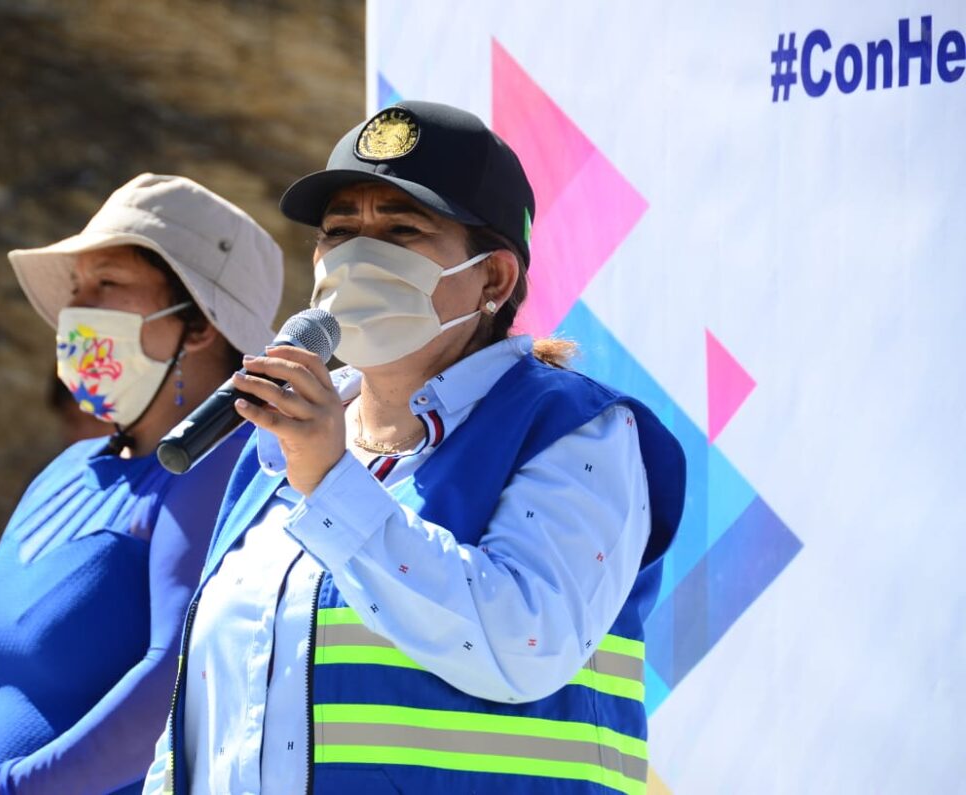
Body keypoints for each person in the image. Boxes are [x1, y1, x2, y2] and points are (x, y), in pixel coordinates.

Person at [143, 102, 686, 795]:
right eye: (339, 231)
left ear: (494, 279)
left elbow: (524, 643)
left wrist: (331, 479)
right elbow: (204, 714)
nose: (358, 255)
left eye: (401, 231)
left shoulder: (578, 431)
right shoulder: (280, 443)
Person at [0, 174, 283, 795]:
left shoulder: (228, 467)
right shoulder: (68, 466)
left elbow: (176, 682)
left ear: (199, 325)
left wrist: (5, 786)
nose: (77, 311)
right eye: (77, 288)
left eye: (107, 284)